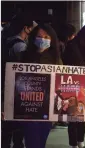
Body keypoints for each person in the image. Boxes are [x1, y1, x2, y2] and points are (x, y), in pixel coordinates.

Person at [21, 23, 62, 148]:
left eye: (46, 37)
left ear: (52, 39)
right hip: (29, 105)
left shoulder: (56, 59)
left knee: (42, 139)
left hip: (47, 107)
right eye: (39, 36)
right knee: (32, 140)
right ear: (33, 38)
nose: (43, 39)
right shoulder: (24, 56)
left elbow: (63, 79)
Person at [1, 13, 36, 148]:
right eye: (32, 28)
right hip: (17, 89)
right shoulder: (19, 46)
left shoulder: (8, 41)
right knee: (16, 126)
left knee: (6, 126)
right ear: (26, 28)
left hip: (6, 88)